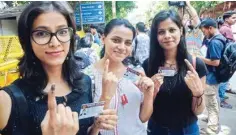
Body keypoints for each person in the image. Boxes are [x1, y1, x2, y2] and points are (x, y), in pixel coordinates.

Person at [0, 2, 117, 135]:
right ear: (27, 40)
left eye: (62, 31)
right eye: (41, 34)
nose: (55, 43)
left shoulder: (84, 83)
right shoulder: (8, 99)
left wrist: (95, 128)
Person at [84, 18, 154, 135]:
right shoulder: (87, 76)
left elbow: (143, 118)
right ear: (103, 39)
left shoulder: (136, 73)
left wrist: (149, 94)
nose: (122, 47)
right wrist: (105, 96)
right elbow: (88, 125)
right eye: (116, 40)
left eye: (128, 43)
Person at [143, 10, 207, 135]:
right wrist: (152, 93)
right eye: (161, 32)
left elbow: (198, 111)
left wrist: (198, 93)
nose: (167, 35)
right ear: (156, 36)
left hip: (187, 130)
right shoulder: (148, 65)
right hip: (157, 129)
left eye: (172, 30)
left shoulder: (195, 65)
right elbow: (144, 111)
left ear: (181, 31)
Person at [199, 18, 226, 134]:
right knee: (213, 100)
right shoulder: (219, 38)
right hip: (215, 76)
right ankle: (211, 119)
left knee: (211, 103)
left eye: (204, 31)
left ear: (210, 28)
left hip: (212, 76)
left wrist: (200, 58)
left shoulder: (215, 42)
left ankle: (212, 128)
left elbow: (215, 62)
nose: (203, 33)